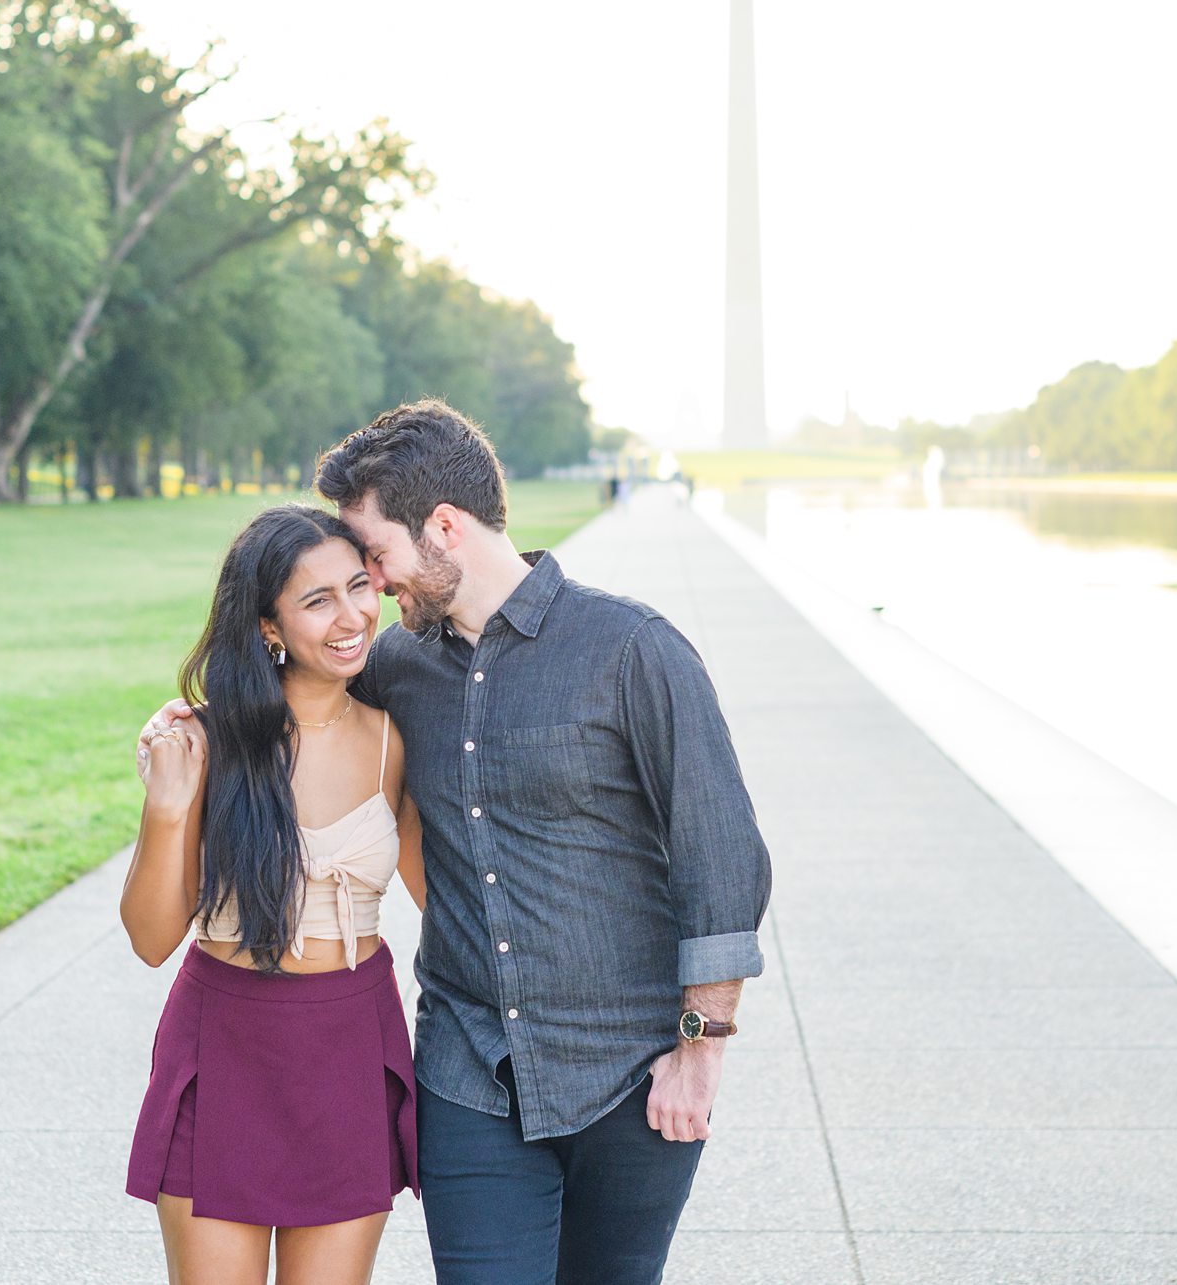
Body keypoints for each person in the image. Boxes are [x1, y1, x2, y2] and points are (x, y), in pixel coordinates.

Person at [147, 400, 773, 1285]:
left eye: (376, 556)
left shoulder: (633, 650)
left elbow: (723, 857)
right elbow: (293, 698)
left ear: (443, 526)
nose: (372, 585)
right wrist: (191, 732)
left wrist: (700, 1049)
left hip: (629, 1074)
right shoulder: (397, 669)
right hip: (470, 1070)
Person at [118, 504, 425, 1285]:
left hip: (349, 1048)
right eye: (317, 599)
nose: (352, 614)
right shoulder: (204, 741)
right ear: (269, 627)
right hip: (224, 1046)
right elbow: (152, 938)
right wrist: (166, 805)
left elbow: (446, 902)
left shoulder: (396, 741)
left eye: (360, 586)